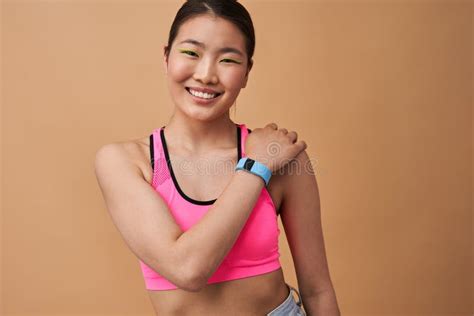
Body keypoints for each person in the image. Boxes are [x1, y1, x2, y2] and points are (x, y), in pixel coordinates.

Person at [94, 0, 340, 315]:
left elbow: (318, 291)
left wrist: (264, 161)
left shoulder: (285, 158)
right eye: (191, 53)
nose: (207, 74)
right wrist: (255, 168)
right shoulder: (126, 162)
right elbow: (187, 270)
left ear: (247, 72)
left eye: (227, 59)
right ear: (166, 56)